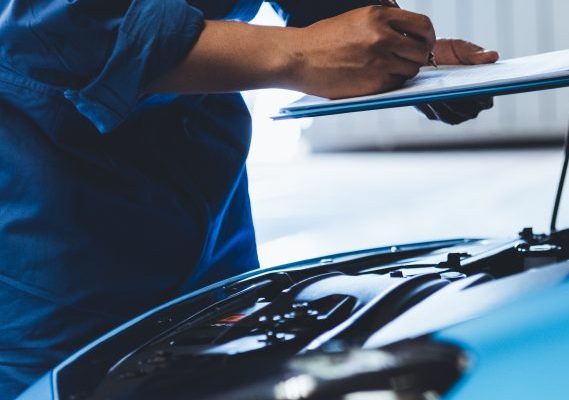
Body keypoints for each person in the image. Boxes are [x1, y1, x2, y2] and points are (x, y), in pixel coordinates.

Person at [0, 0, 498, 396]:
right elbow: (51, 23)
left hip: (202, 176)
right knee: (72, 381)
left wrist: (392, 49)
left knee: (228, 365)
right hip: (49, 204)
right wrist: (301, 54)